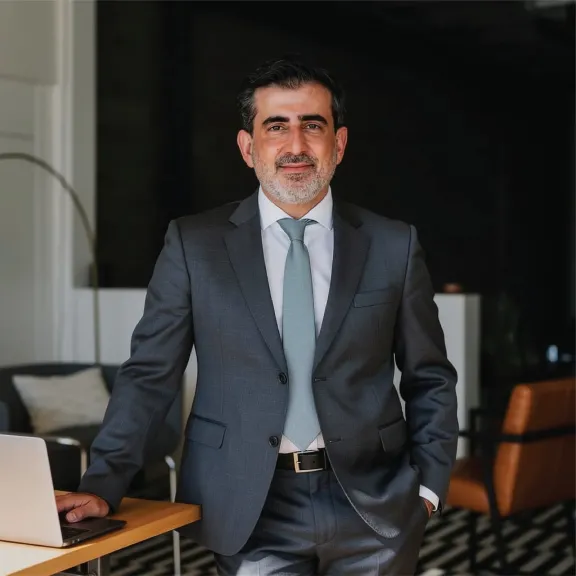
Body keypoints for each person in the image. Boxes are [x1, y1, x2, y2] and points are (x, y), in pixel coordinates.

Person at [57, 56, 459, 575]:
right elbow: (150, 374)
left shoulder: (393, 244)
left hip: (375, 503)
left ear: (339, 144)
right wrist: (103, 483)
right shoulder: (194, 245)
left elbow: (430, 375)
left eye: (312, 125)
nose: (296, 145)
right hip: (248, 504)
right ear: (248, 148)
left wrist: (428, 487)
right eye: (276, 127)